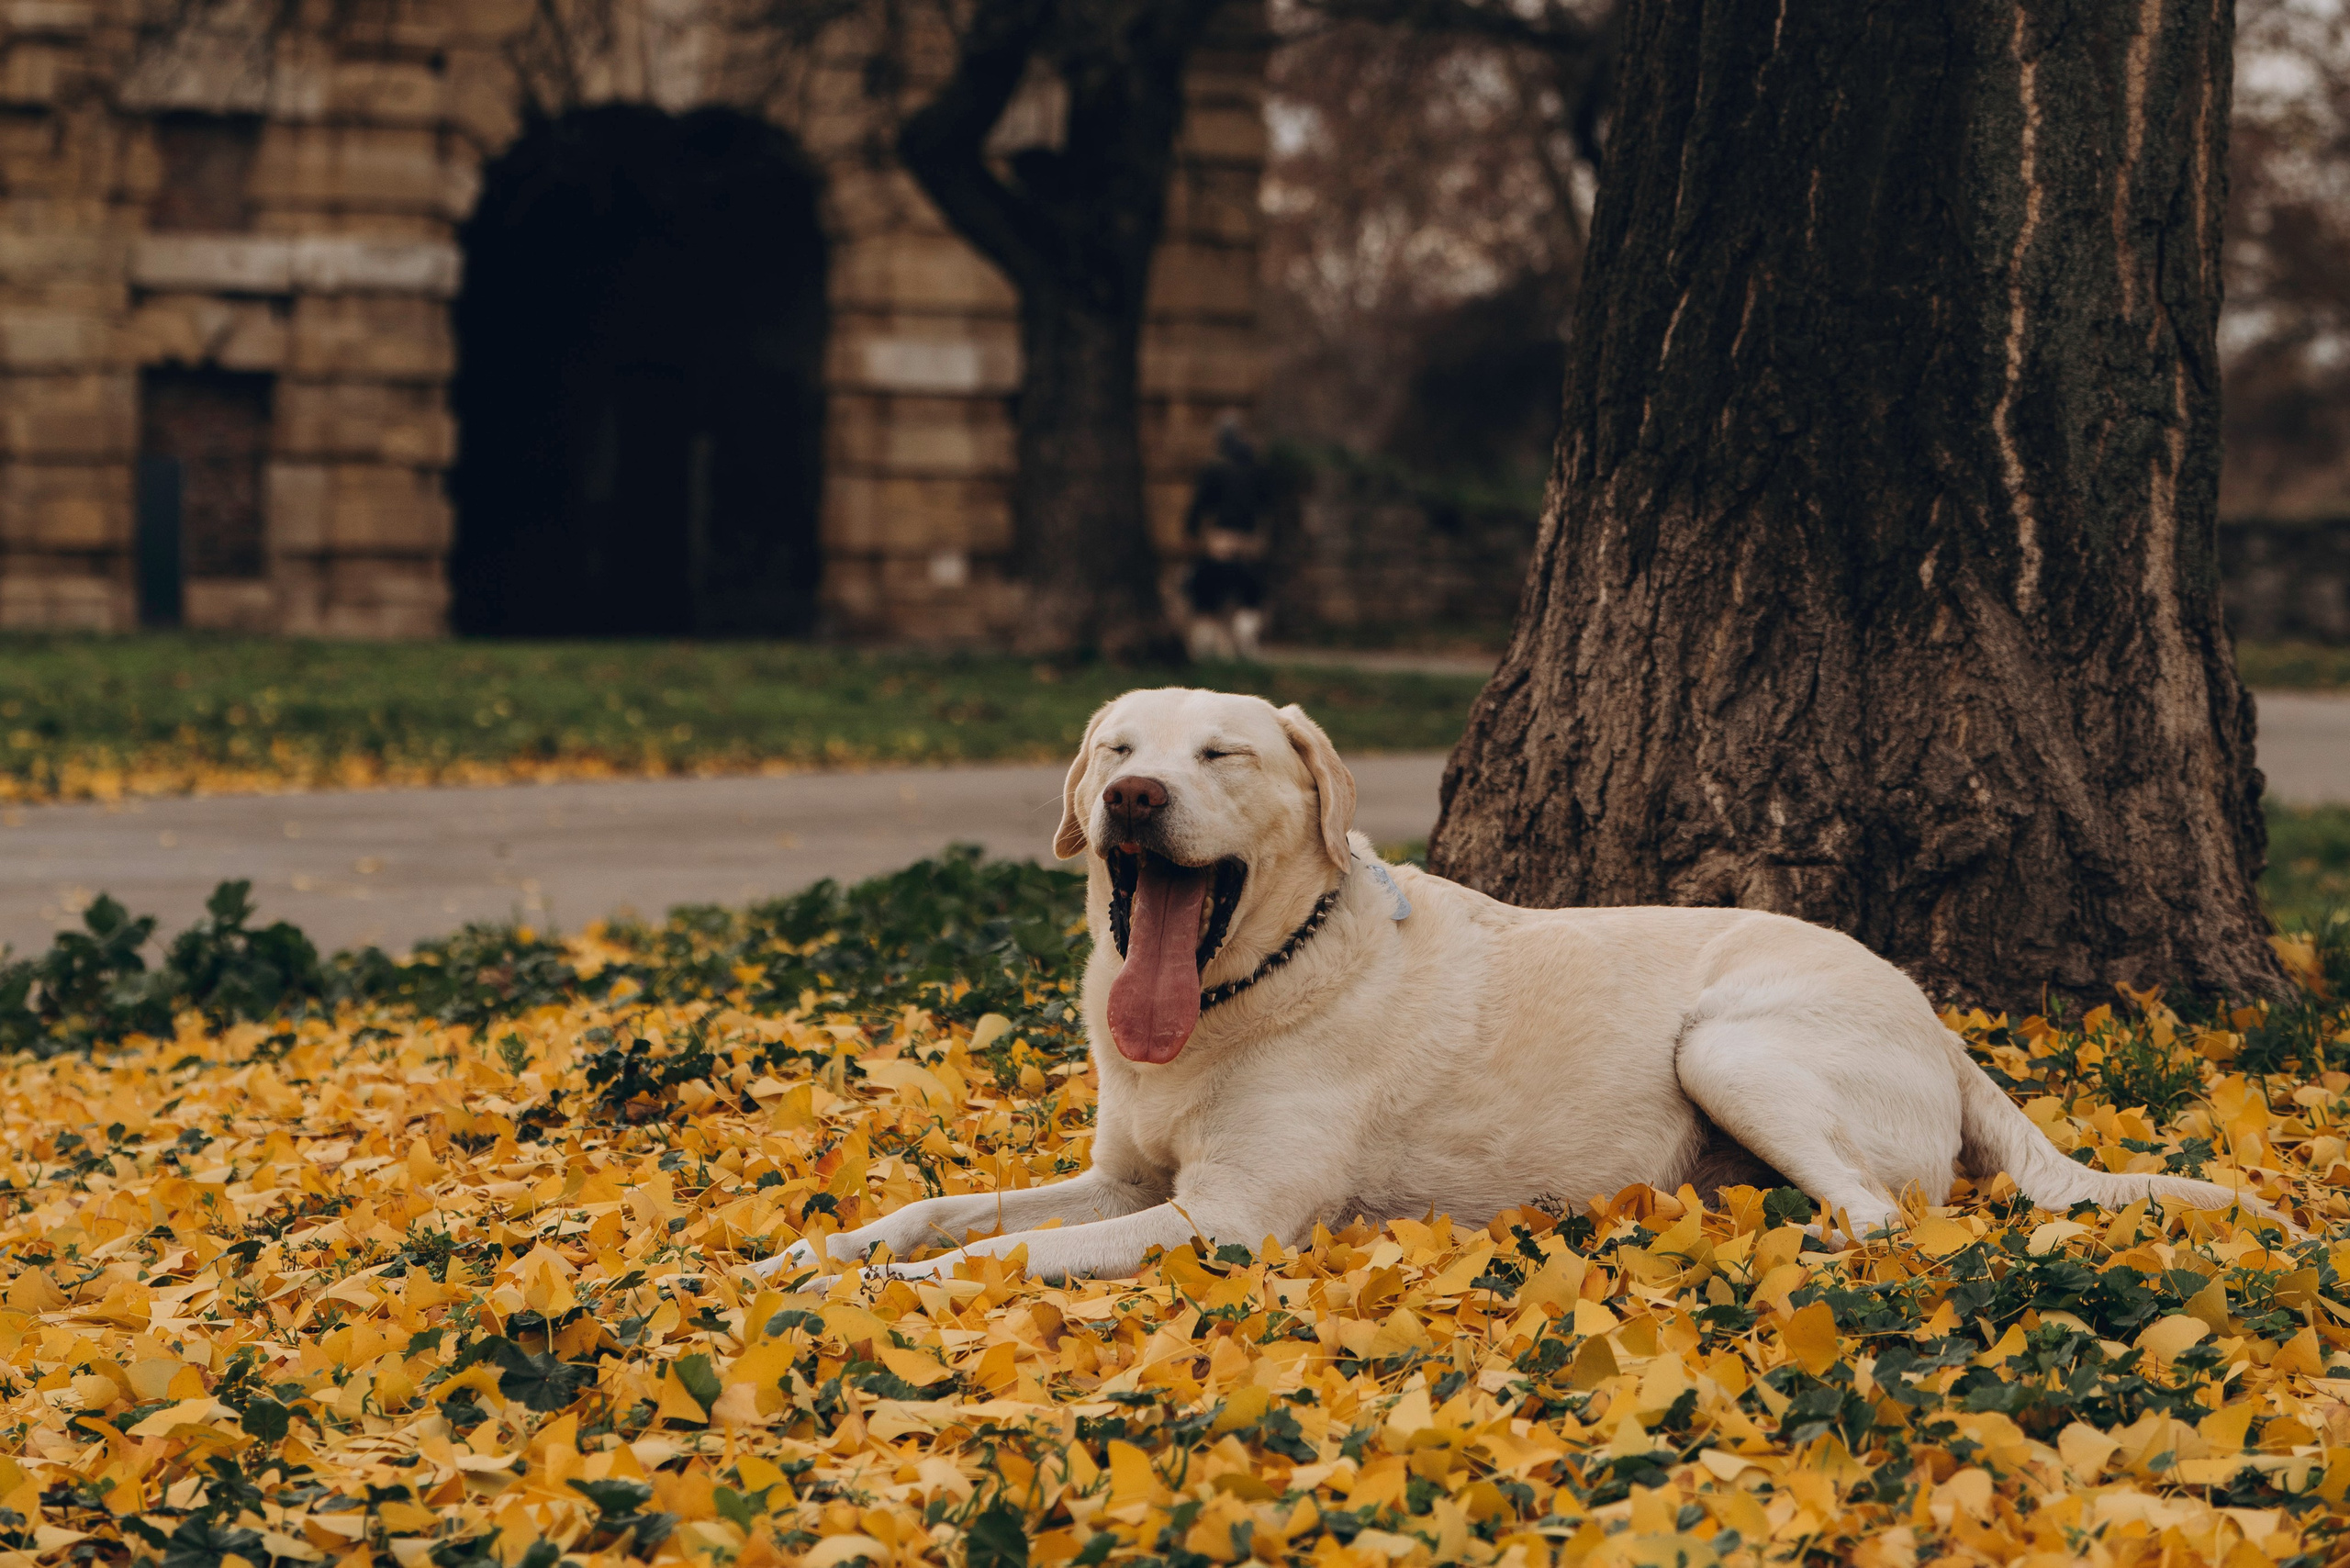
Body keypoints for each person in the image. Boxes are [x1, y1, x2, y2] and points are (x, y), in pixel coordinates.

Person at [1182, 416, 1270, 659]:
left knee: (1207, 596)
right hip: (1249, 540)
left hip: (1221, 539)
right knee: (1249, 594)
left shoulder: (1215, 468)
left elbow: (1200, 505)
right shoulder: (1257, 469)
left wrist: (1191, 533)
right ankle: (1245, 642)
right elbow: (1266, 505)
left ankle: (1206, 647)